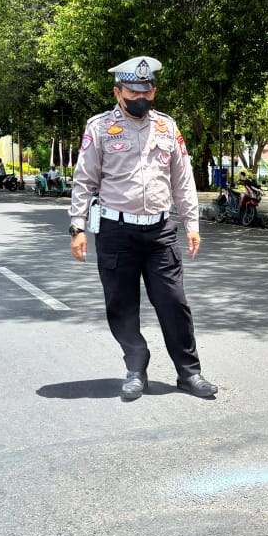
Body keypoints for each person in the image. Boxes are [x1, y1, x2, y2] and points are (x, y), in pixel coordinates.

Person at [68, 55, 217, 401]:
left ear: (154, 91)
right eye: (133, 92)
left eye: (147, 91)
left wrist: (192, 223)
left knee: (174, 302)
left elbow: (182, 180)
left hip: (160, 231)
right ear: (118, 92)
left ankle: (189, 373)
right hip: (116, 231)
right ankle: (136, 368)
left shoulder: (167, 126)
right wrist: (77, 227)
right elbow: (84, 181)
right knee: (121, 305)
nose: (141, 98)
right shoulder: (99, 128)